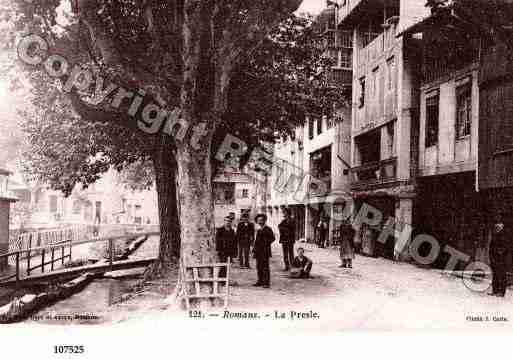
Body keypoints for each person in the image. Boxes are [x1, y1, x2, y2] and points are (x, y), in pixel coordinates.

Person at [489, 217, 510, 297]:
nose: (497, 228)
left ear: (501, 227)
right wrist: (491, 256)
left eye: (498, 227)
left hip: (501, 259)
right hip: (494, 258)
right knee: (495, 275)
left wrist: (499, 252)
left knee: (501, 275)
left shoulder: (504, 235)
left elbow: (505, 247)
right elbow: (492, 247)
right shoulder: (495, 235)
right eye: (496, 227)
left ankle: (501, 292)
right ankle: (495, 290)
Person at [253, 214, 275, 288]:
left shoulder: (268, 229)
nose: (260, 222)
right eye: (258, 220)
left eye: (261, 220)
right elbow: (256, 242)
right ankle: (260, 281)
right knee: (259, 267)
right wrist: (254, 250)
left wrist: (265, 243)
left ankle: (266, 283)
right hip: (258, 252)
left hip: (265, 251)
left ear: (264, 221)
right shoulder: (259, 230)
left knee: (265, 267)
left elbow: (272, 238)